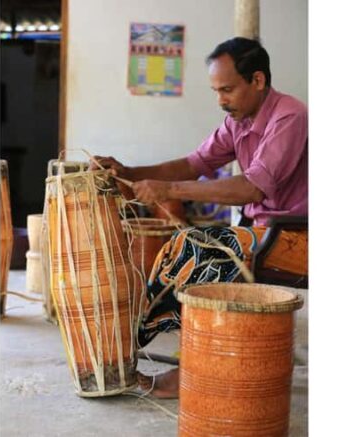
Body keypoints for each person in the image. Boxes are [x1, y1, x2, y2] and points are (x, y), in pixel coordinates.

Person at [92, 37, 308, 398]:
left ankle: (185, 372)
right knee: (182, 249)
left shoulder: (290, 116)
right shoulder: (238, 120)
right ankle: (161, 357)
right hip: (260, 232)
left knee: (197, 251)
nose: (221, 100)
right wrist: (129, 170)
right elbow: (194, 164)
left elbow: (252, 189)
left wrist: (170, 191)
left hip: (295, 236)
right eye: (215, 91)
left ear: (257, 80)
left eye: (227, 89)